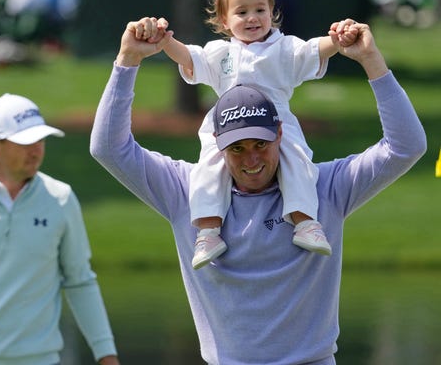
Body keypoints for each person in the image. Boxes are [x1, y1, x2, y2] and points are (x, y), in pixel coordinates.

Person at [90, 18, 426, 364]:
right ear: (218, 147)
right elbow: (108, 149)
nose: (251, 159)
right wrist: (127, 60)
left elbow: (406, 146)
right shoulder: (187, 192)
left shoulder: (323, 188)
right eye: (237, 148)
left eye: (260, 144)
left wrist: (372, 62)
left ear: (280, 134)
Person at [139, 0, 359, 269]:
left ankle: (305, 222)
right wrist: (165, 41)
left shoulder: (283, 50)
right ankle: (208, 231)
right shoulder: (221, 53)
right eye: (241, 12)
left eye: (260, 10)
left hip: (276, 122)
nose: (252, 18)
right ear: (225, 21)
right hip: (227, 122)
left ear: (272, 13)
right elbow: (189, 57)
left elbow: (313, 50)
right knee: (209, 168)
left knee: (297, 160)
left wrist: (339, 39)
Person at [0, 93, 120, 365]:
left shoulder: (60, 198)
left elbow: (80, 280)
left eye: (40, 140)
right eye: (25, 142)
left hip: (41, 359)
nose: (36, 150)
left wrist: (106, 354)